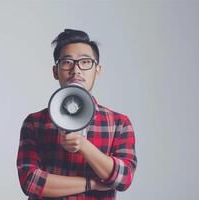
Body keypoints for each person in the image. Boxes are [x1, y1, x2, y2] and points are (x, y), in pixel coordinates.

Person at [17, 29, 137, 199]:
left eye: (85, 62)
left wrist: (83, 146)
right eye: (67, 62)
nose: (76, 70)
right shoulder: (35, 122)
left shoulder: (119, 123)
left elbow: (124, 178)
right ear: (55, 71)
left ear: (98, 70)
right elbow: (30, 181)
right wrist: (92, 183)